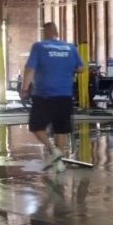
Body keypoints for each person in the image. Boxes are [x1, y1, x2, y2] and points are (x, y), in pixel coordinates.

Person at [20, 22, 84, 172]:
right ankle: (58, 162)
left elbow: (30, 68)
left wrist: (24, 88)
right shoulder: (70, 48)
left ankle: (52, 150)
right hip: (65, 94)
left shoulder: (39, 47)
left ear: (46, 32)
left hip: (44, 94)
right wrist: (65, 68)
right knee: (61, 129)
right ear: (57, 32)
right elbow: (81, 68)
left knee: (36, 126)